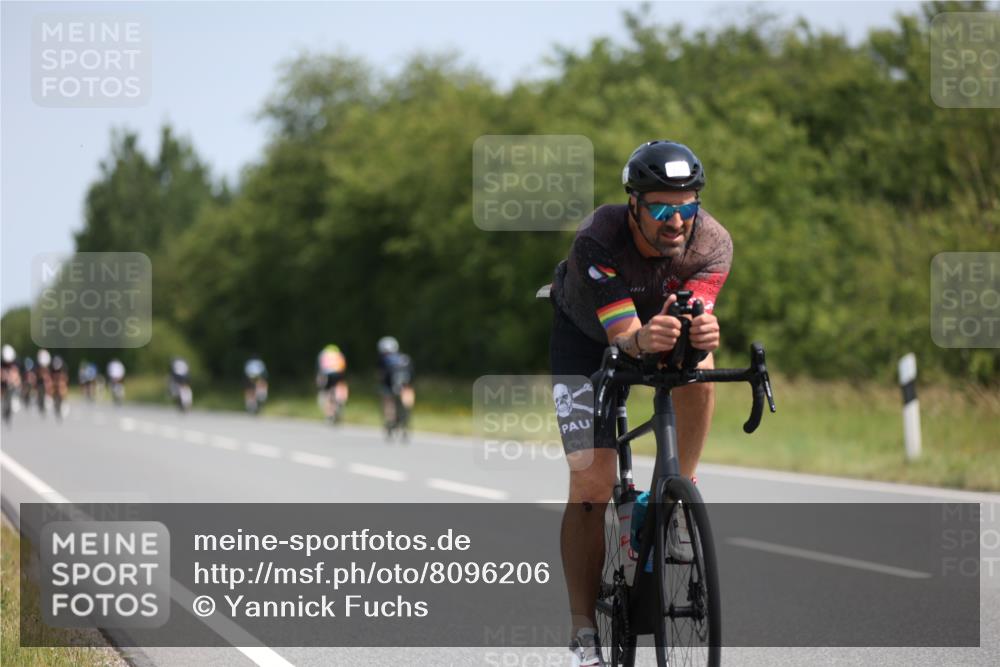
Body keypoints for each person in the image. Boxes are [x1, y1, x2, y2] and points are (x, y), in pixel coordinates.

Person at [548, 140, 730, 666]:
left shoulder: (714, 242)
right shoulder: (598, 238)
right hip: (586, 335)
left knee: (702, 358)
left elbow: (695, 317)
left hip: (660, 324)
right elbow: (624, 334)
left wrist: (703, 330)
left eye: (686, 204)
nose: (676, 219)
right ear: (634, 205)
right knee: (591, 483)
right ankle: (583, 630)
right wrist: (638, 340)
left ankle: (681, 488)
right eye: (660, 206)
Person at [376, 336, 414, 440]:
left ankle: (390, 421)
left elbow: (381, 375)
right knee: (407, 398)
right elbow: (411, 374)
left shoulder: (383, 359)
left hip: (389, 384)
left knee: (388, 401)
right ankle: (406, 418)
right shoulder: (404, 358)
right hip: (405, 385)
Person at [316, 344, 348, 423]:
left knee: (327, 394)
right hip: (339, 374)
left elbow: (320, 368)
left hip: (327, 374)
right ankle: (340, 400)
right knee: (338, 388)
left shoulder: (323, 354)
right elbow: (343, 367)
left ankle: (329, 415)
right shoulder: (339, 354)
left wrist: (319, 379)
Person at [1, 344, 21, 424]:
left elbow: (17, 376)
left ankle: (15, 399)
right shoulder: (1, 363)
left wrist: (14, 380)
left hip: (13, 385)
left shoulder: (16, 363)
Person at [49, 355, 69, 419]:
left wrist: (61, 384)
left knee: (62, 385)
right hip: (53, 380)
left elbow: (65, 379)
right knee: (50, 386)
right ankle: (52, 399)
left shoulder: (64, 367)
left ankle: (63, 401)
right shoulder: (51, 367)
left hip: (61, 381)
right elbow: (49, 378)